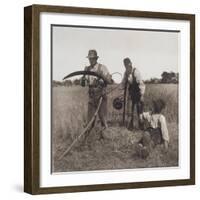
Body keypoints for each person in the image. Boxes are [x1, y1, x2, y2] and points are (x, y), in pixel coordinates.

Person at [81, 49, 112, 136]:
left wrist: (102, 77)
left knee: (103, 118)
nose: (90, 60)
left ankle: (105, 138)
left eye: (92, 58)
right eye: (89, 58)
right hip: (91, 95)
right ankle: (87, 138)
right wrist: (83, 79)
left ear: (96, 58)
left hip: (101, 95)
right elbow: (83, 84)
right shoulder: (87, 69)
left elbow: (110, 81)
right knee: (90, 119)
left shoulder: (102, 67)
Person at [120, 57, 145, 130]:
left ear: (131, 64)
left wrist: (142, 95)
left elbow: (141, 84)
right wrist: (121, 92)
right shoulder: (126, 73)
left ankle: (141, 127)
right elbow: (123, 83)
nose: (127, 67)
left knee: (139, 111)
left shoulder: (136, 72)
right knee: (129, 111)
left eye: (128, 65)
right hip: (131, 93)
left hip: (138, 93)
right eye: (125, 66)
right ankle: (130, 127)